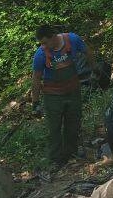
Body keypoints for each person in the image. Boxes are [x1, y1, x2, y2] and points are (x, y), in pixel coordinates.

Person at [31, 25, 94, 168]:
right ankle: (56, 161)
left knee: (73, 123)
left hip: (73, 90)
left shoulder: (72, 40)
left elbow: (88, 52)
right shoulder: (41, 54)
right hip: (53, 96)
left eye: (45, 42)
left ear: (53, 36)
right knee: (54, 128)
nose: (43, 45)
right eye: (41, 43)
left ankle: (71, 153)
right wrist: (35, 103)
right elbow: (36, 79)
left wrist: (94, 70)